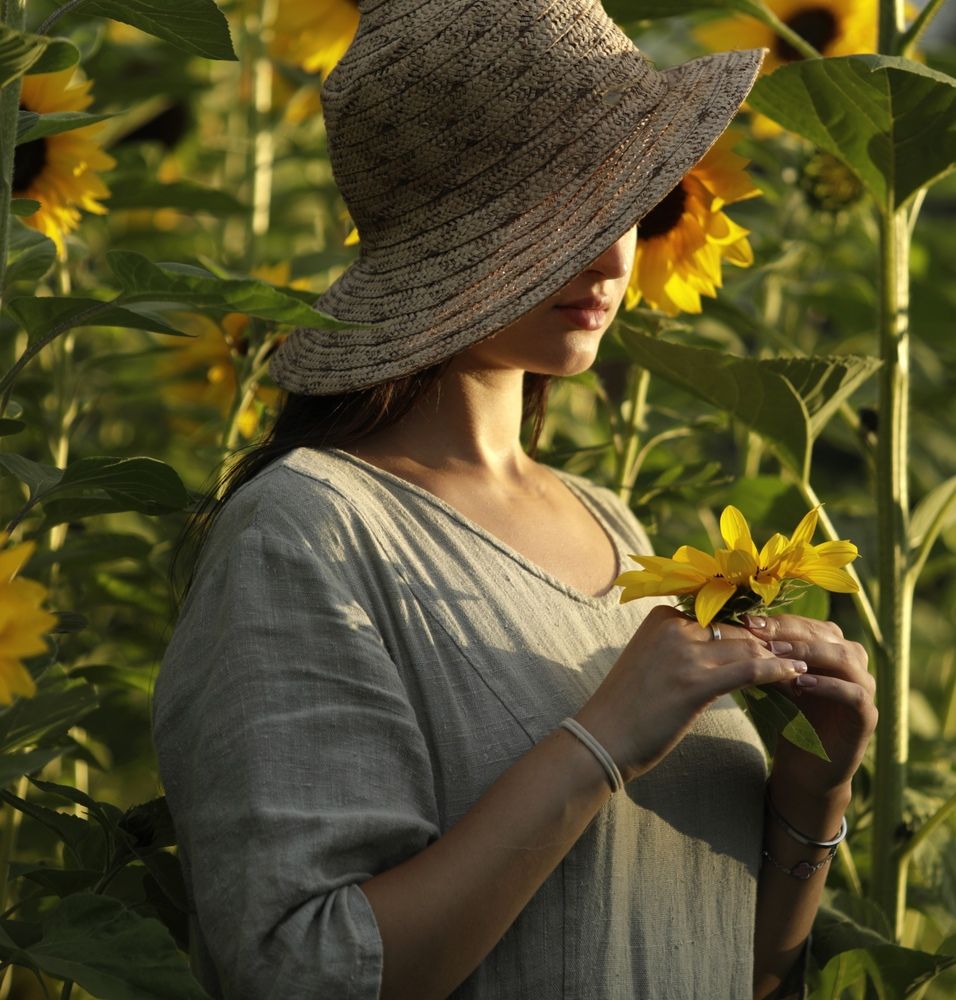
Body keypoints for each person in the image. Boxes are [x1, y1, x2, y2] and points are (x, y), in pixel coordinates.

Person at [153, 2, 878, 998]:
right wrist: (597, 743)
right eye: (559, 199)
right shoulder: (308, 531)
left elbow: (721, 965)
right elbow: (302, 969)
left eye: (625, 192)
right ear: (443, 235)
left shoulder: (609, 525)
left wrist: (812, 788)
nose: (613, 250)